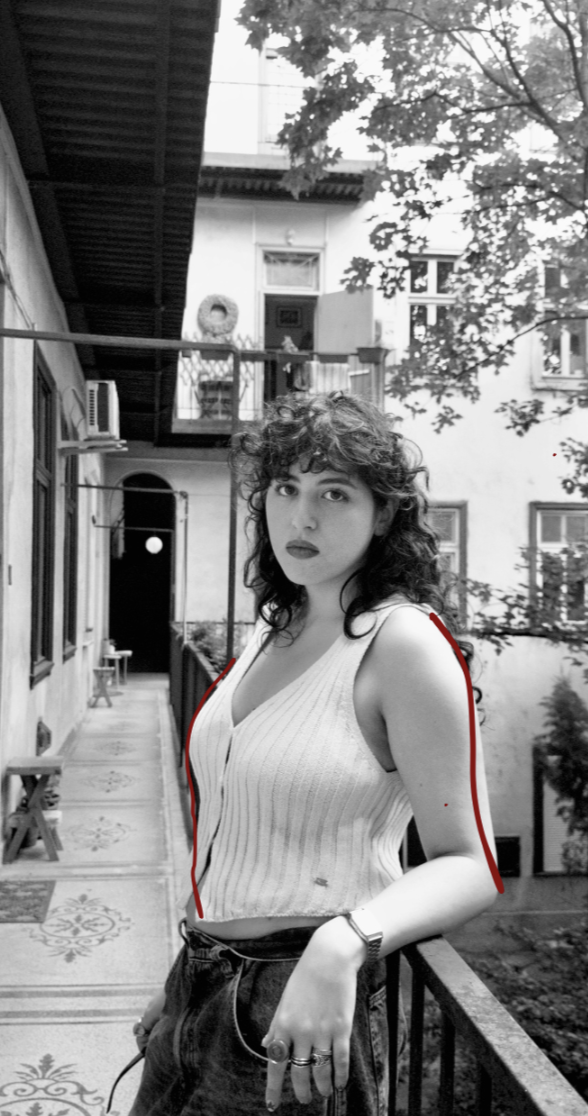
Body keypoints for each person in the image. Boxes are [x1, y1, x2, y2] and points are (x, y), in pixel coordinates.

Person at [127, 392, 499, 1115]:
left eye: (335, 493)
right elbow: (242, 837)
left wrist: (345, 942)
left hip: (299, 1010)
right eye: (285, 489)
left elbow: (471, 863)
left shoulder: (402, 644)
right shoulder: (279, 624)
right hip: (202, 981)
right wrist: (187, 984)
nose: (302, 517)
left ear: (384, 513)